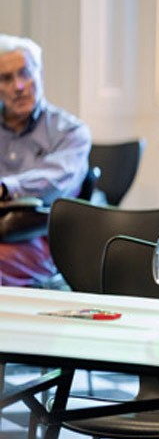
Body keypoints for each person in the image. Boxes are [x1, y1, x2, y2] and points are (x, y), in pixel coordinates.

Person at [0, 35, 90, 286]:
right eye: (6, 78)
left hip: (39, 237)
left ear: (39, 74)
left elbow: (55, 182)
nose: (19, 86)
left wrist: (6, 188)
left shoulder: (71, 132)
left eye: (25, 73)